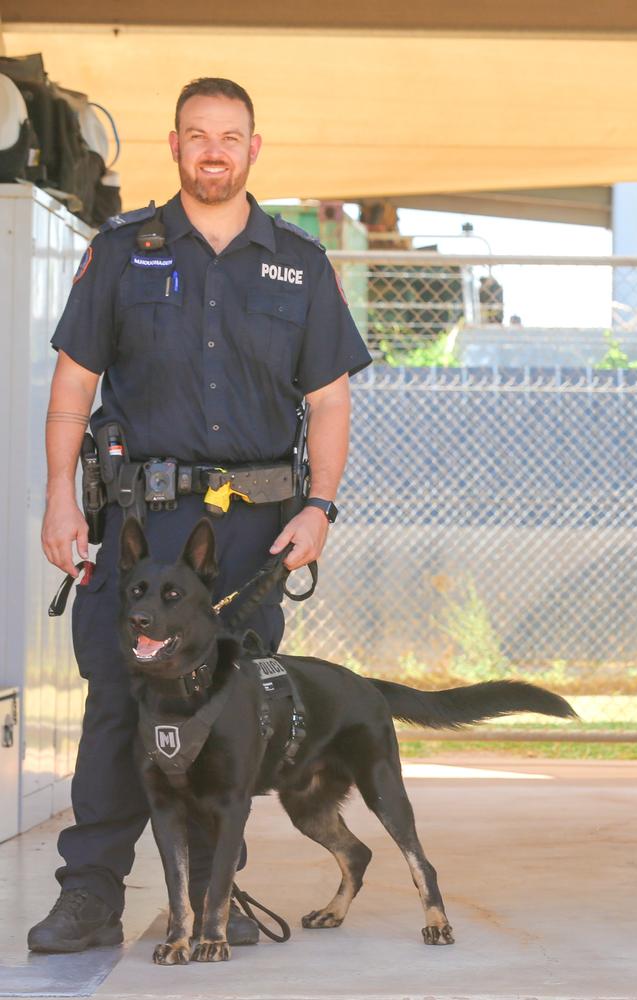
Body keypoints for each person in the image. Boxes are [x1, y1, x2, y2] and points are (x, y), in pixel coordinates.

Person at [28, 77, 372, 953]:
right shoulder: (121, 251)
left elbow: (328, 401)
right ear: (174, 145)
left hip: (253, 532)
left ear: (253, 149)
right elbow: (74, 385)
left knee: (237, 710)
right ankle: (91, 895)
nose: (213, 150)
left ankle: (217, 899)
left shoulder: (297, 261)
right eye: (197, 135)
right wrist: (59, 496)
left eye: (230, 136)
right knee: (118, 700)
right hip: (144, 527)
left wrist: (321, 505)